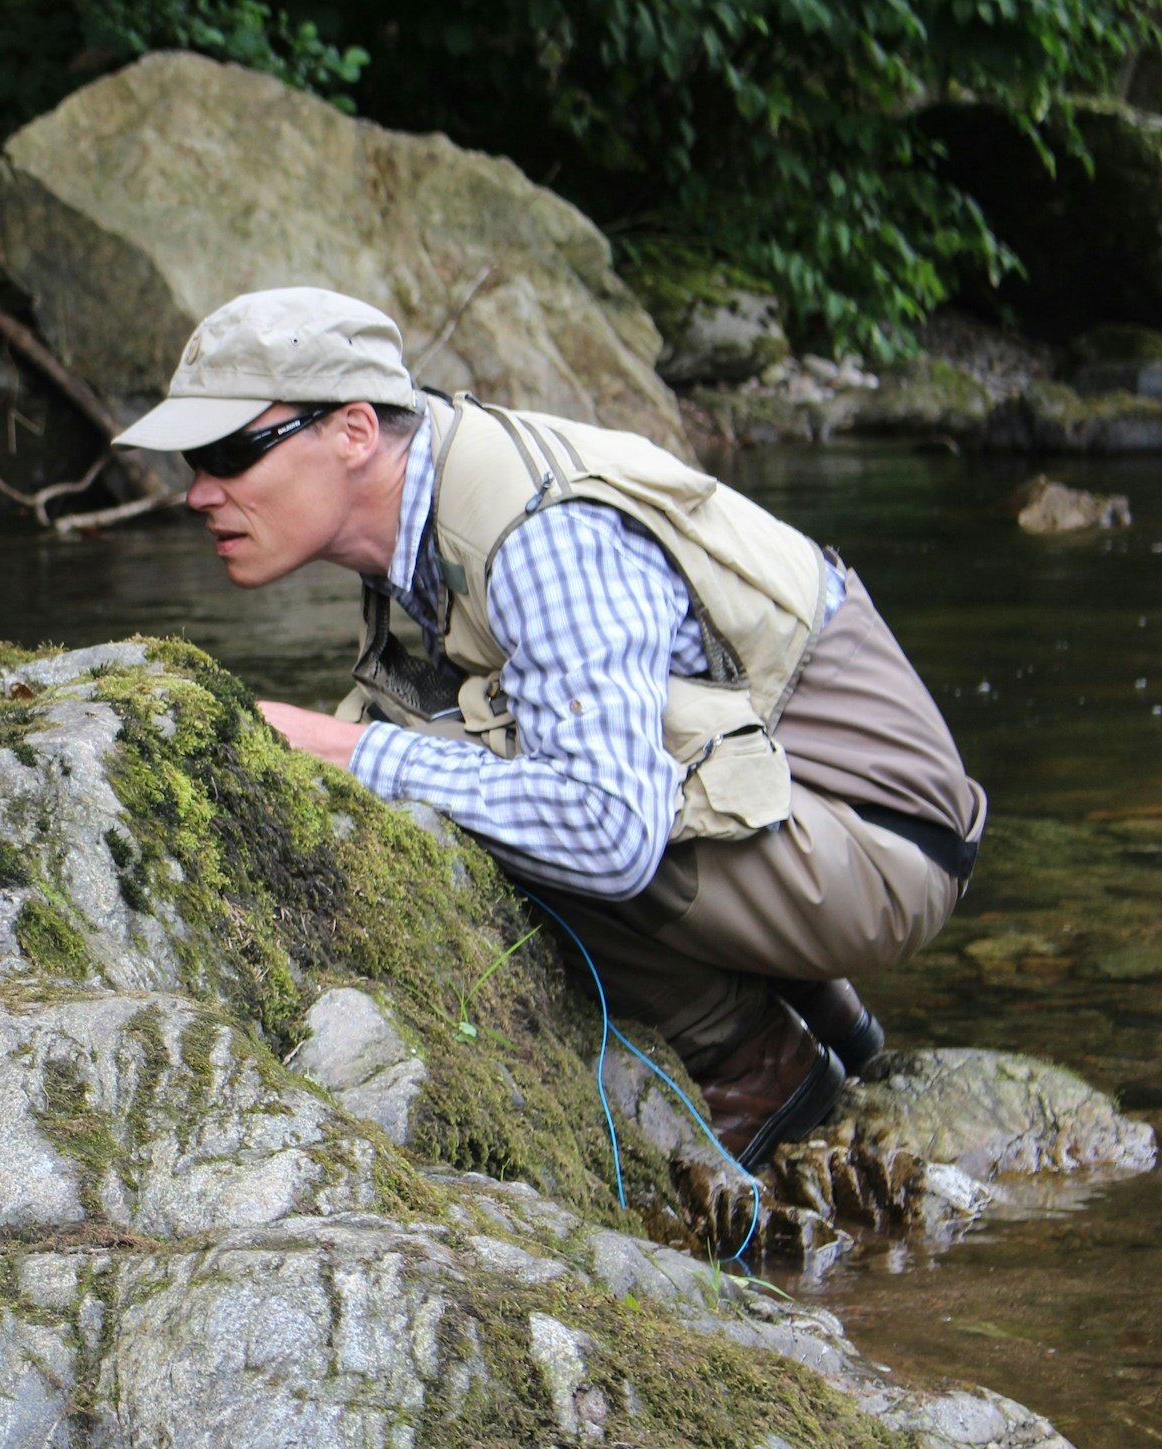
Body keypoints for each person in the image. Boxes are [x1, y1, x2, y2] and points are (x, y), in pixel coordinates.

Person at [114, 287, 985, 1170]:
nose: (196, 491)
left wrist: (346, 749)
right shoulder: (436, 502)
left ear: (353, 432)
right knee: (464, 757)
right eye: (193, 456)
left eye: (230, 452)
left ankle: (755, 1060)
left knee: (496, 803)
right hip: (819, 826)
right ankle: (822, 1008)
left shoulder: (542, 536)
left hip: (883, 851)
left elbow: (608, 831)